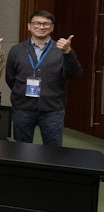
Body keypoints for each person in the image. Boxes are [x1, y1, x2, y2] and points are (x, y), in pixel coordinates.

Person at [5, 10, 82, 147]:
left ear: (52, 28)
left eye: (46, 24)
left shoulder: (61, 50)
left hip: (52, 109)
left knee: (52, 151)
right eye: (37, 23)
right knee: (21, 150)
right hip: (23, 108)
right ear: (29, 26)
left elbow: (74, 74)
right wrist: (21, 93)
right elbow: (10, 78)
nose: (41, 27)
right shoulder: (17, 50)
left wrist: (68, 53)